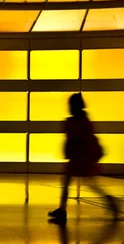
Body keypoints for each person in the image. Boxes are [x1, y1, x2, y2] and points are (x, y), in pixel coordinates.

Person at [48, 92, 119, 223]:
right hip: (82, 158)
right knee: (82, 183)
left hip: (80, 159)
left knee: (73, 183)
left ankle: (63, 209)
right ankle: (109, 201)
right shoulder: (85, 121)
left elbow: (74, 139)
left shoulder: (76, 122)